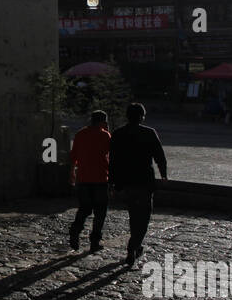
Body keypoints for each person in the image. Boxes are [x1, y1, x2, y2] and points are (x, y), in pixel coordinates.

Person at [109, 102, 168, 265]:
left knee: (133, 215)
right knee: (144, 216)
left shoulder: (118, 134)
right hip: (144, 181)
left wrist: (112, 183)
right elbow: (159, 156)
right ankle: (133, 246)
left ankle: (136, 244)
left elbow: (113, 161)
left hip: (126, 181)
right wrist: (163, 174)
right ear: (142, 117)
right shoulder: (149, 133)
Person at [68, 110, 111, 254]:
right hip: (100, 178)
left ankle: (75, 230)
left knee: (84, 208)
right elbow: (109, 157)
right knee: (100, 212)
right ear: (103, 121)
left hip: (83, 178)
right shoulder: (105, 135)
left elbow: (73, 156)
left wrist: (71, 173)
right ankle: (94, 241)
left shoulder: (81, 134)